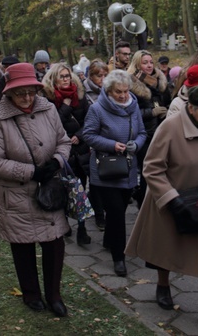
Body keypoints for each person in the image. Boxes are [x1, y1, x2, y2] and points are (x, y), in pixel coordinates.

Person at [125, 86, 198, 334]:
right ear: (191, 107)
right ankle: (163, 285)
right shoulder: (170, 127)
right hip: (174, 199)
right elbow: (152, 168)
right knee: (167, 248)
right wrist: (172, 200)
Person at [0, 63, 72, 317]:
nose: (27, 97)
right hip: (16, 193)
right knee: (22, 245)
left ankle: (54, 295)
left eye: (31, 91)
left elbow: (64, 141)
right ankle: (31, 294)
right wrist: (30, 172)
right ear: (9, 92)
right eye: (20, 92)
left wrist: (56, 161)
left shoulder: (49, 110)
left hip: (48, 190)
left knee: (54, 244)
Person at [82, 69, 147, 277]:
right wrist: (112, 145)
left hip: (128, 168)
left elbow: (143, 132)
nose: (123, 95)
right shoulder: (97, 109)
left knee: (118, 210)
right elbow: (89, 135)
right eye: (118, 92)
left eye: (126, 91)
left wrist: (136, 144)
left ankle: (109, 240)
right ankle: (119, 257)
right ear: (109, 91)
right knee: (117, 212)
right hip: (106, 170)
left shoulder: (133, 106)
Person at [41, 63, 92, 245]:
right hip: (61, 151)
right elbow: (51, 125)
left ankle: (82, 228)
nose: (66, 79)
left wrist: (79, 136)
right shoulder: (47, 99)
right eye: (62, 76)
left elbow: (89, 121)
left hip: (80, 150)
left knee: (80, 190)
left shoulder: (80, 95)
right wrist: (66, 106)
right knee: (62, 189)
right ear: (54, 78)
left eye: (67, 76)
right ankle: (64, 223)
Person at [127, 50, 168, 207]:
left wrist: (166, 111)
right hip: (144, 133)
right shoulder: (131, 84)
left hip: (161, 130)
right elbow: (129, 112)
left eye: (151, 62)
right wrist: (151, 112)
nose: (149, 65)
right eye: (145, 62)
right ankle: (143, 203)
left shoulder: (160, 80)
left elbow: (168, 100)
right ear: (137, 65)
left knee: (159, 169)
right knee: (147, 170)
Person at [82, 60, 109, 230]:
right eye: (99, 76)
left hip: (106, 141)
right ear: (91, 76)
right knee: (94, 180)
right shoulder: (84, 93)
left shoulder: (109, 92)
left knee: (104, 178)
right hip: (89, 141)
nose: (103, 79)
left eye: (105, 75)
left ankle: (100, 207)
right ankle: (99, 215)